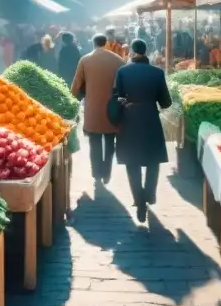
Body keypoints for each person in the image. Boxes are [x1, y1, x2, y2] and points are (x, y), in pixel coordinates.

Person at [113, 39, 172, 222]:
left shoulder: (123, 71)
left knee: (132, 161)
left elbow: (117, 96)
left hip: (129, 119)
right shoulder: (157, 72)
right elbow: (166, 102)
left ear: (131, 52)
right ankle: (149, 194)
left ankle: (138, 200)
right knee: (153, 159)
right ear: (146, 52)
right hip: (150, 118)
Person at [71, 34, 125, 185]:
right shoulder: (118, 60)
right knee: (109, 142)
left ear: (93, 43)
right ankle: (107, 172)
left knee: (94, 143)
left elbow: (76, 85)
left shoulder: (85, 60)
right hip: (112, 109)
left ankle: (96, 174)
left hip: (92, 108)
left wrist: (73, 99)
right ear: (106, 43)